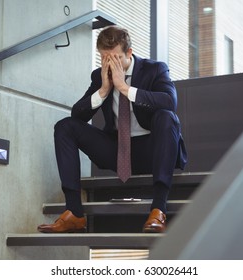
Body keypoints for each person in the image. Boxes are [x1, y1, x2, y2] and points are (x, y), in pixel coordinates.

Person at [37, 26, 187, 234]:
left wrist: (125, 88)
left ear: (129, 53)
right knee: (65, 127)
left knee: (166, 116)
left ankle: (158, 209)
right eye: (105, 58)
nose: (110, 64)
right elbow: (77, 115)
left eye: (115, 58)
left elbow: (169, 101)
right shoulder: (99, 77)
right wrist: (103, 90)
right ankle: (74, 213)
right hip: (118, 151)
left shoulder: (155, 69)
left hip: (152, 150)